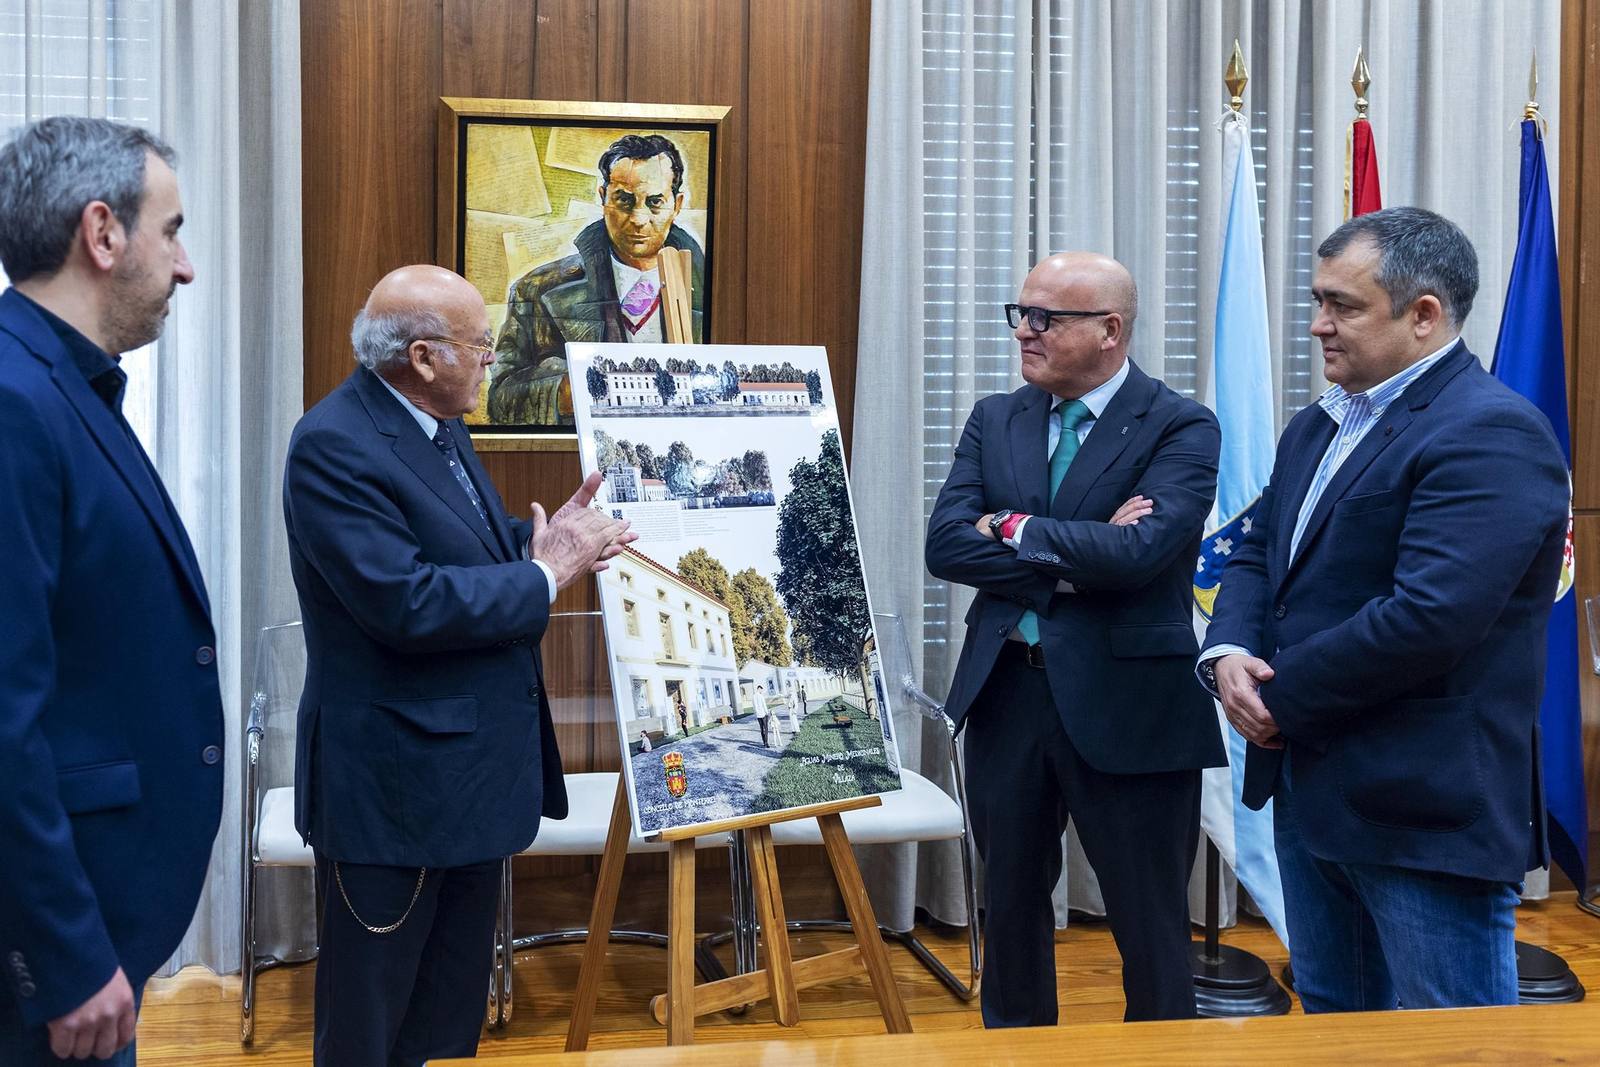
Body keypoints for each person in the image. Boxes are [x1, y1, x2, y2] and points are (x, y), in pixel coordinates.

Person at [1200, 207, 1569, 1013]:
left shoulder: (1492, 431)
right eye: (1317, 300)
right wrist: (1227, 652)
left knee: (1449, 1042)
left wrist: (1277, 699)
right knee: (1339, 1020)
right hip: (1312, 787)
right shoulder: (1317, 424)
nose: (1316, 325)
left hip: (1421, 808)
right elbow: (1259, 552)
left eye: (1342, 305)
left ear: (1425, 314)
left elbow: (1428, 617)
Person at [283, 264, 633, 1066]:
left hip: (469, 783)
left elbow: (466, 542)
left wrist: (540, 540)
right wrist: (545, 574)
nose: (493, 356)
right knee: (371, 1028)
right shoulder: (333, 445)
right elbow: (406, 603)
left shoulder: (437, 423)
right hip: (393, 794)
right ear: (424, 356)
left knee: (447, 1025)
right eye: (482, 344)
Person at [925, 252, 1224, 1027]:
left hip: (1131, 704)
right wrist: (1072, 557)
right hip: (1007, 694)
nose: (1024, 331)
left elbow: (1140, 556)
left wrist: (1015, 528)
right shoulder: (998, 417)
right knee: (1011, 908)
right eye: (1019, 312)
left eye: (1045, 318)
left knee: (1150, 924)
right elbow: (947, 546)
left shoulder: (1180, 424)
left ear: (1110, 331)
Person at [0, 117, 219, 1065]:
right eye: (171, 231)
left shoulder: (64, 386)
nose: (184, 266)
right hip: (60, 957)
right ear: (102, 233)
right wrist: (66, 954)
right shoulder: (16, 401)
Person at [488, 133, 706, 425]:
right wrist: (567, 391)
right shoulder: (538, 289)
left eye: (655, 202)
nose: (639, 218)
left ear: (676, 205)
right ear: (603, 198)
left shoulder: (714, 287)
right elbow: (501, 401)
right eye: (624, 201)